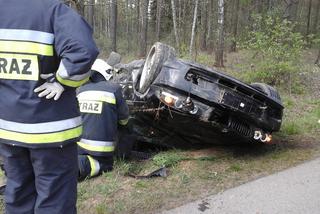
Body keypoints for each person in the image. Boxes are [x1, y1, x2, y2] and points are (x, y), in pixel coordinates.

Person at [0, 0, 99, 213]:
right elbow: (84, 51)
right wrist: (61, 81)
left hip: (9, 130)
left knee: (18, 197)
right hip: (52, 131)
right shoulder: (53, 10)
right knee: (55, 200)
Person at [77, 59, 132, 181]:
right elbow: (124, 119)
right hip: (102, 152)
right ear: (106, 72)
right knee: (127, 125)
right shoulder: (114, 89)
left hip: (79, 147)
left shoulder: (81, 90)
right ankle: (123, 156)